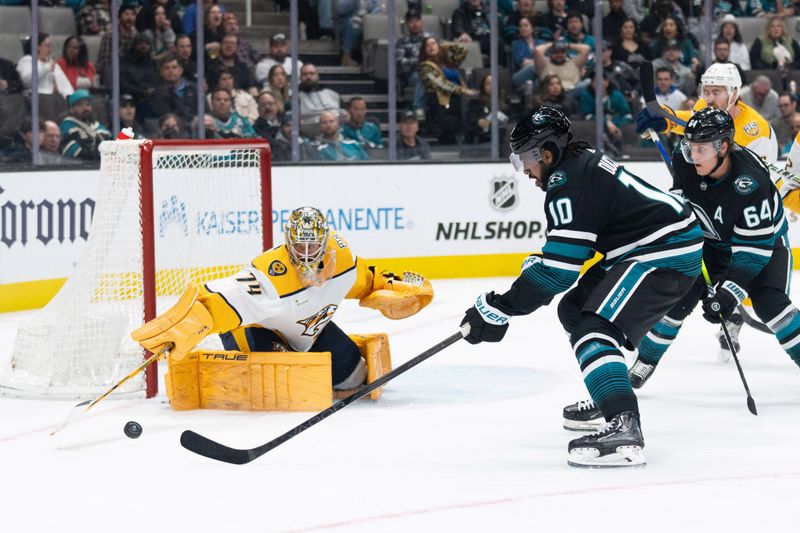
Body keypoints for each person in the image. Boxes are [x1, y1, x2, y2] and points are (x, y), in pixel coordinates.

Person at [460, 107, 702, 467]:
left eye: (526, 159)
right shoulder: (577, 162)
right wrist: (524, 285)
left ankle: (624, 423)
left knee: (593, 329)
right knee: (573, 310)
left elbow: (559, 272)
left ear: (547, 152)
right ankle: (609, 392)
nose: (524, 170)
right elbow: (570, 250)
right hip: (650, 245)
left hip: (664, 252)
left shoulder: (567, 182)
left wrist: (501, 306)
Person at [575, 108, 800, 405]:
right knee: (677, 296)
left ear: (723, 147)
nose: (694, 155)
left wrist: (729, 293)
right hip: (710, 243)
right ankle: (647, 360)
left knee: (771, 304)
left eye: (701, 149)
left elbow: (752, 254)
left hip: (763, 245)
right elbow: (682, 200)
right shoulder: (684, 158)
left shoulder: (750, 183)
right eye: (691, 146)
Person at [131, 206, 433, 398]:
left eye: (312, 244)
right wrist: (194, 321)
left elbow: (368, 279)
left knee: (354, 379)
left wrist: (389, 287)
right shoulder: (269, 273)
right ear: (287, 241)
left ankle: (295, 353)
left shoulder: (343, 261)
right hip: (255, 328)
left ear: (325, 241)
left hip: (306, 329)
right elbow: (225, 299)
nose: (304, 252)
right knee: (279, 386)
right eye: (298, 244)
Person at [637, 62, 780, 359]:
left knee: (766, 294)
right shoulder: (706, 110)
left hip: (758, 216)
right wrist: (662, 120)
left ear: (734, 93)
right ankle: (729, 316)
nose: (709, 98)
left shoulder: (756, 130)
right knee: (688, 287)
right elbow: (688, 122)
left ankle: (737, 314)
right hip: (716, 218)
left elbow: (753, 186)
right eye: (707, 91)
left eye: (717, 92)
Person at [417, 37, 477, 144]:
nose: (431, 47)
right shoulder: (425, 66)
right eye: (428, 45)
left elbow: (463, 50)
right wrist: (464, 91)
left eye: (434, 44)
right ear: (424, 50)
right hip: (440, 101)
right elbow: (442, 84)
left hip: (456, 98)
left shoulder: (448, 63)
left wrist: (444, 46)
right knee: (448, 129)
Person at [148, 53, 198, 134]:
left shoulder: (194, 88)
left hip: (197, 129)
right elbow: (167, 118)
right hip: (174, 132)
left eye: (174, 67)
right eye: (167, 68)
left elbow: (205, 112)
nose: (171, 71)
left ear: (181, 70)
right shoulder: (158, 94)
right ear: (161, 72)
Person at [60, 89, 112, 160]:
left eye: (88, 104)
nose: (86, 108)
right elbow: (72, 153)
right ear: (71, 109)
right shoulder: (67, 126)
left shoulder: (99, 127)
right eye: (80, 105)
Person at [396, 9, 431, 113]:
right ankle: (418, 108)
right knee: (424, 76)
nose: (414, 24)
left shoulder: (430, 38)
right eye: (411, 22)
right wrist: (418, 61)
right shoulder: (402, 41)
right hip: (413, 73)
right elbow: (400, 61)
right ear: (407, 24)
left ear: (421, 22)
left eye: (417, 21)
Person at [98, 4, 138, 87]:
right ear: (120, 17)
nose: (129, 18)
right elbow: (105, 61)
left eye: (132, 14)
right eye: (126, 14)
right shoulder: (110, 35)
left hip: (131, 70)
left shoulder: (137, 36)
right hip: (114, 69)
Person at [465, 73, 509, 144]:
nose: (491, 86)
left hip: (502, 138)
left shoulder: (505, 100)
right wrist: (478, 122)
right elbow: (469, 121)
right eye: (488, 84)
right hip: (482, 138)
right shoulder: (476, 102)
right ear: (483, 86)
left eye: (493, 83)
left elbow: (512, 120)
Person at [511, 16, 544, 90]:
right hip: (520, 76)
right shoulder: (516, 44)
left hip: (538, 76)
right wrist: (539, 61)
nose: (523, 28)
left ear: (532, 28)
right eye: (520, 26)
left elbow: (547, 60)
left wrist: (531, 61)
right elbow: (522, 63)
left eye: (526, 26)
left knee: (538, 82)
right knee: (535, 66)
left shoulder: (541, 43)